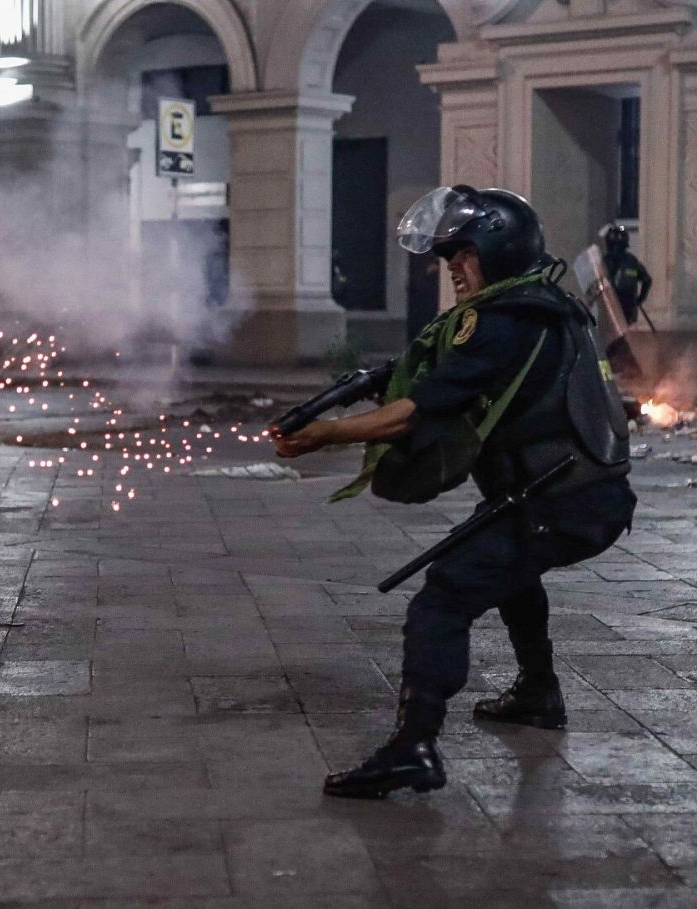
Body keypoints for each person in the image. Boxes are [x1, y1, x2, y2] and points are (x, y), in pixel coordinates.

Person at [275, 186, 634, 799]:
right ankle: (538, 692)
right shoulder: (540, 304)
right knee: (511, 570)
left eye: (461, 257)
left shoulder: (501, 321)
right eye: (447, 260)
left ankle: (413, 747)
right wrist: (375, 384)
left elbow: (414, 415)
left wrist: (325, 434)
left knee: (441, 600)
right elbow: (450, 374)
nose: (452, 271)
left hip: (560, 500)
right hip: (583, 494)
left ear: (497, 251)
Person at [603, 223, 652, 327]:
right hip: (619, 307)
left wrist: (640, 299)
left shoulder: (604, 262)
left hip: (617, 308)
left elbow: (647, 280)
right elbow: (647, 280)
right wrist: (640, 299)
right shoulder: (631, 261)